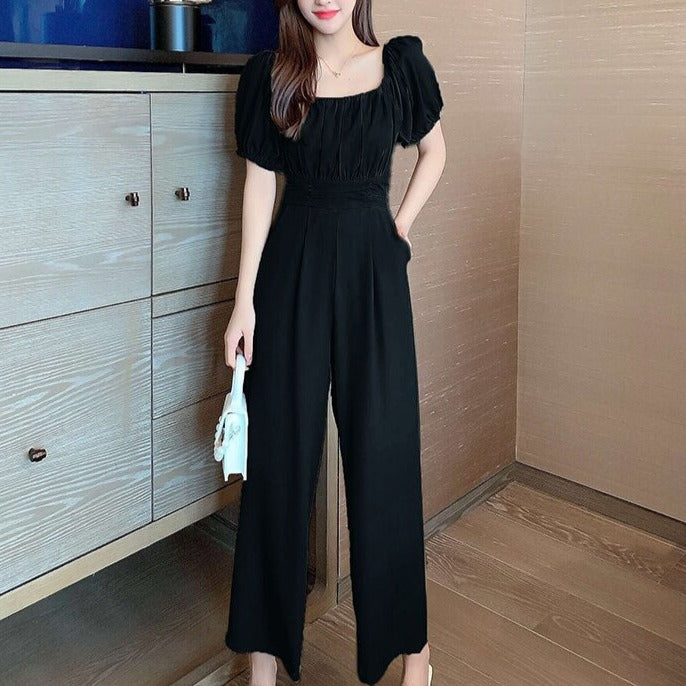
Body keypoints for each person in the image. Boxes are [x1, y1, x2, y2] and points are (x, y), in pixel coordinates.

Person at [223, 1, 446, 684]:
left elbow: (435, 151)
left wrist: (398, 228)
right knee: (276, 463)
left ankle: (415, 655)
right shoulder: (272, 75)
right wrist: (243, 302)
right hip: (290, 274)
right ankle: (262, 665)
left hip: (373, 277)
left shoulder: (400, 66)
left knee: (385, 458)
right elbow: (260, 183)